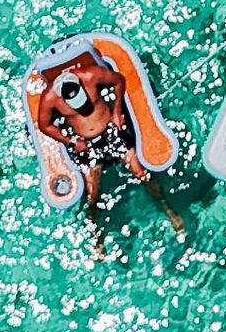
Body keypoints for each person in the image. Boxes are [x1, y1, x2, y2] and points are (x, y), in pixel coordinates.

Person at [34, 52, 187, 254]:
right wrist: (71, 141)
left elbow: (117, 81)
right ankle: (96, 235)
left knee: (141, 172)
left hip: (111, 131)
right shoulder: (51, 98)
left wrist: (116, 112)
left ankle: (168, 209)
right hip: (85, 144)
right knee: (92, 193)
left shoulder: (91, 75)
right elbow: (45, 125)